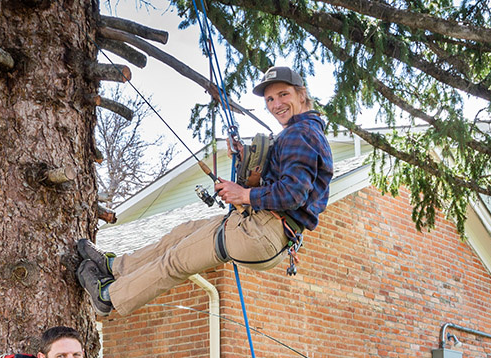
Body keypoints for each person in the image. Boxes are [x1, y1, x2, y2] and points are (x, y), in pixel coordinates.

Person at [74, 65, 333, 317]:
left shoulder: (301, 134)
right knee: (180, 234)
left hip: (263, 231)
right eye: (270, 99)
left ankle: (109, 297)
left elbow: (292, 194)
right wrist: (246, 158)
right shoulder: (298, 133)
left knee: (176, 259)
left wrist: (243, 195)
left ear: (302, 94)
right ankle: (115, 267)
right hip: (264, 228)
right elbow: (280, 180)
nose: (276, 104)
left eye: (283, 95)